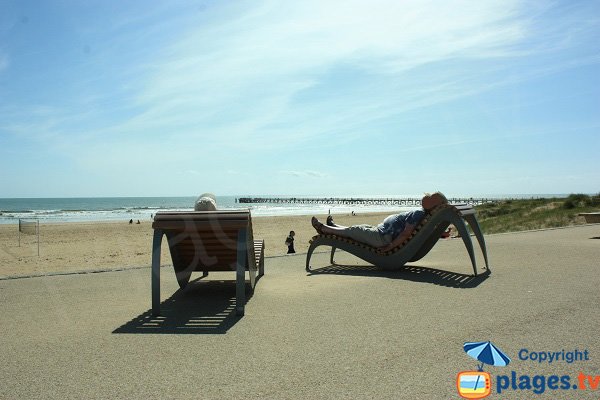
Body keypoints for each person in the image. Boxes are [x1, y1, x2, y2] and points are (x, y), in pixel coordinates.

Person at [311, 192, 448, 252]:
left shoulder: (420, 214)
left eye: (432, 197)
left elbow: (406, 234)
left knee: (354, 231)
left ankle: (324, 228)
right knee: (356, 229)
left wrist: (391, 246)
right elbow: (424, 231)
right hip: (381, 232)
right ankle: (333, 226)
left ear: (434, 204)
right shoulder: (424, 216)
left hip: (382, 238)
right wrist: (442, 234)